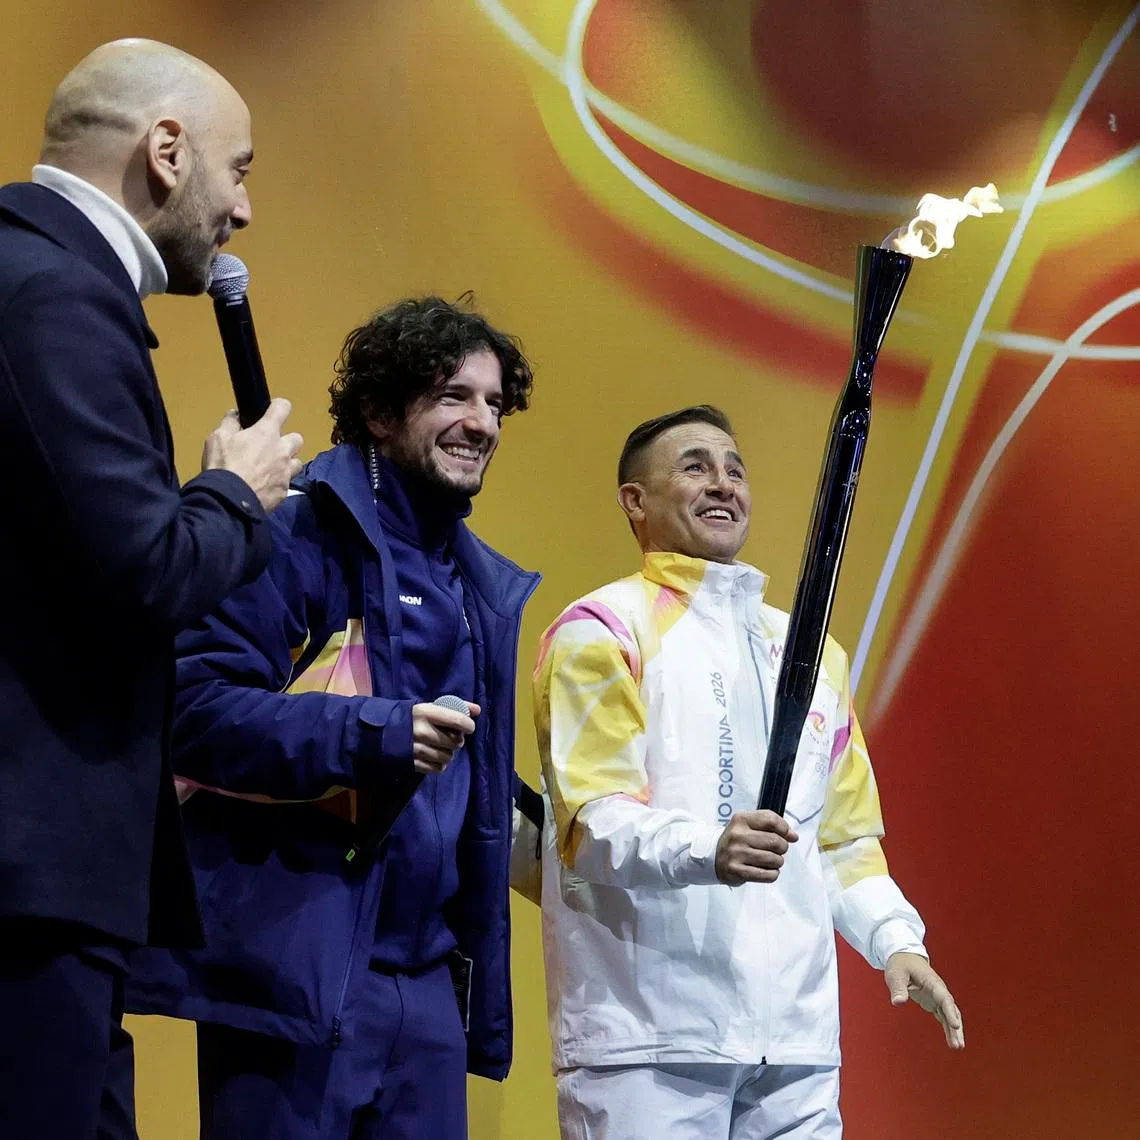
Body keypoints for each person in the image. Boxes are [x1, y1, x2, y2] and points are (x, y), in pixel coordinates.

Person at [127, 296, 540, 1140]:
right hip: (297, 968)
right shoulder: (293, 531)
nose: (482, 422)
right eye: (454, 396)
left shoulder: (480, 586)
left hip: (424, 986)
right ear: (381, 413)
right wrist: (377, 734)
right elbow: (194, 712)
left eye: (495, 403)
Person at [0, 38, 303, 1140]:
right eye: (242, 169)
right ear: (165, 151)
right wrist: (235, 493)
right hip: (32, 883)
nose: (244, 212)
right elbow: (146, 569)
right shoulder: (54, 296)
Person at [533, 405, 963, 1139]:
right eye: (695, 466)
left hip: (794, 1048)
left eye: (734, 468)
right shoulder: (601, 631)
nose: (723, 483)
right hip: (650, 1043)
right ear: (634, 501)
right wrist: (711, 848)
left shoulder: (811, 651)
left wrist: (896, 939)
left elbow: (843, 842)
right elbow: (593, 823)